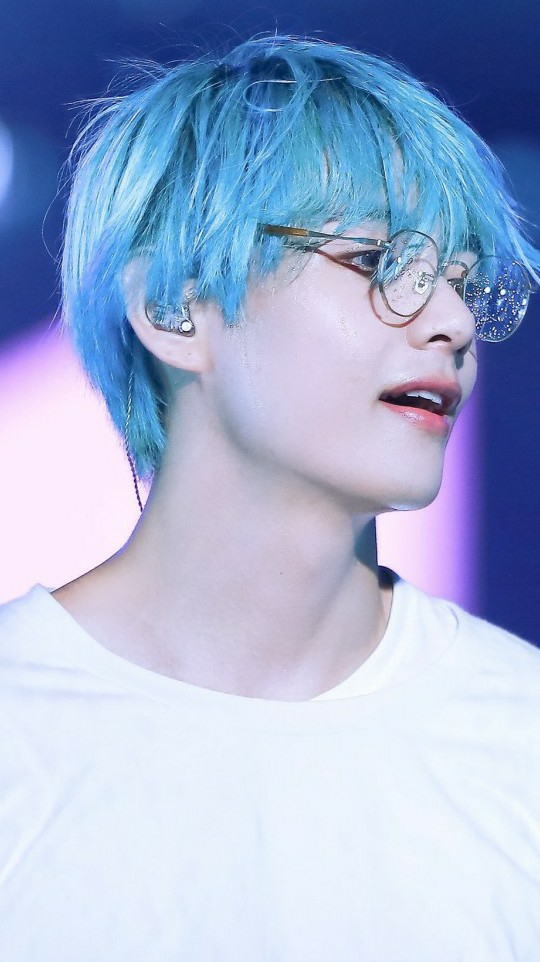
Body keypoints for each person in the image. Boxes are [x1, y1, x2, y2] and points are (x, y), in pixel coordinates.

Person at [1, 34, 539, 961]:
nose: (452, 323)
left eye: (462, 281)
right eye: (378, 261)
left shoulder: (518, 738)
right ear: (174, 308)